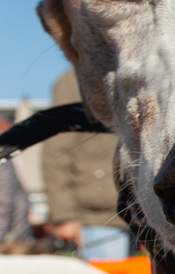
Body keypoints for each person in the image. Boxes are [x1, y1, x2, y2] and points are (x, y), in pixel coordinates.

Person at [41, 67, 132, 260]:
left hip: (138, 217)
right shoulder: (76, 79)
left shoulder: (138, 68)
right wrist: (64, 215)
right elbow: (57, 149)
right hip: (96, 219)